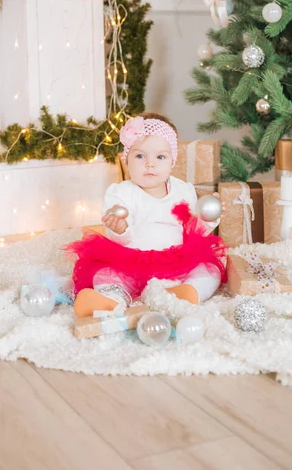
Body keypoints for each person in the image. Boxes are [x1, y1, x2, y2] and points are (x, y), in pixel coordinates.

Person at [66, 112, 227, 318]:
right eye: (140, 156)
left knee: (209, 271)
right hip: (132, 262)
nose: (150, 164)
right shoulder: (121, 192)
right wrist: (120, 227)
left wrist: (208, 216)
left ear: (172, 161)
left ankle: (182, 293)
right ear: (127, 160)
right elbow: (121, 236)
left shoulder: (183, 190)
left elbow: (192, 229)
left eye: (160, 157)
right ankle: (111, 300)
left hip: (177, 261)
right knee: (106, 275)